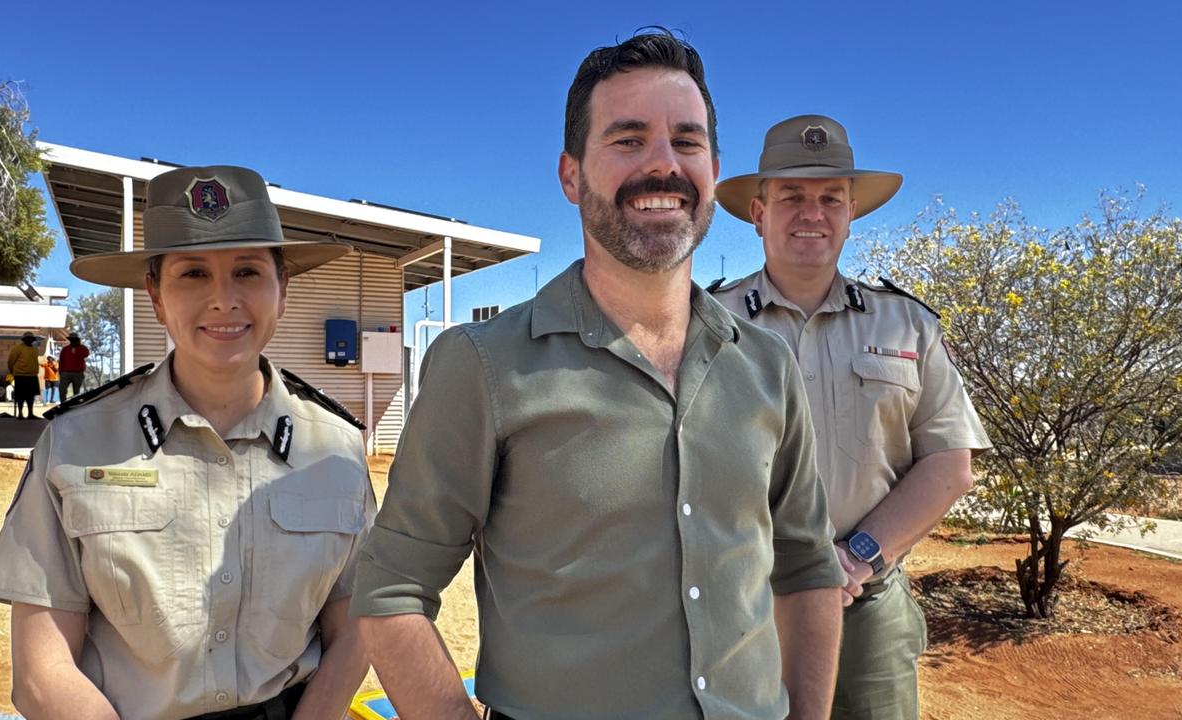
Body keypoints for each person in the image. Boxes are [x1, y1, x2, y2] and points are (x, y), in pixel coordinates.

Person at [352, 30, 846, 720]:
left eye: (687, 140)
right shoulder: (484, 364)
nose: (663, 165)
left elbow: (807, 568)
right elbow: (389, 591)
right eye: (628, 139)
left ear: (713, 168)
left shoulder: (767, 365)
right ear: (571, 174)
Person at [0, 165, 373, 720]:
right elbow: (42, 670)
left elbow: (354, 623)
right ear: (156, 297)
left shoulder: (337, 447)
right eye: (192, 274)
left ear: (282, 291)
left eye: (247, 272)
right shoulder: (77, 442)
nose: (223, 299)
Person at [710, 115, 993, 720]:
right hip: (741, 604)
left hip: (868, 599)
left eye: (829, 198)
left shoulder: (907, 325)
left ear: (851, 212)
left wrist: (856, 556)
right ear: (758, 212)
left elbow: (950, 462)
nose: (811, 212)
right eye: (791, 196)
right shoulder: (705, 325)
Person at [7, 331, 41, 418]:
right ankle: (20, 413)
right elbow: (11, 361)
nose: (29, 340)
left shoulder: (35, 349)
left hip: (32, 376)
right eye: (27, 339)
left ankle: (30, 413)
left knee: (31, 396)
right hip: (21, 375)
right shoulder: (17, 348)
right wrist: (12, 371)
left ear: (32, 340)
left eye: (31, 339)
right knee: (20, 396)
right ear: (24, 339)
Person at [58, 332, 91, 401]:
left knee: (76, 393)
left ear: (77, 340)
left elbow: (86, 354)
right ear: (70, 340)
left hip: (78, 373)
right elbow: (61, 361)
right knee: (62, 390)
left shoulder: (81, 348)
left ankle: (75, 405)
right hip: (65, 372)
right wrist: (61, 372)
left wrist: (79, 345)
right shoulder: (65, 349)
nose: (73, 340)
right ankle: (63, 405)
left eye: (74, 339)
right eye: (71, 339)